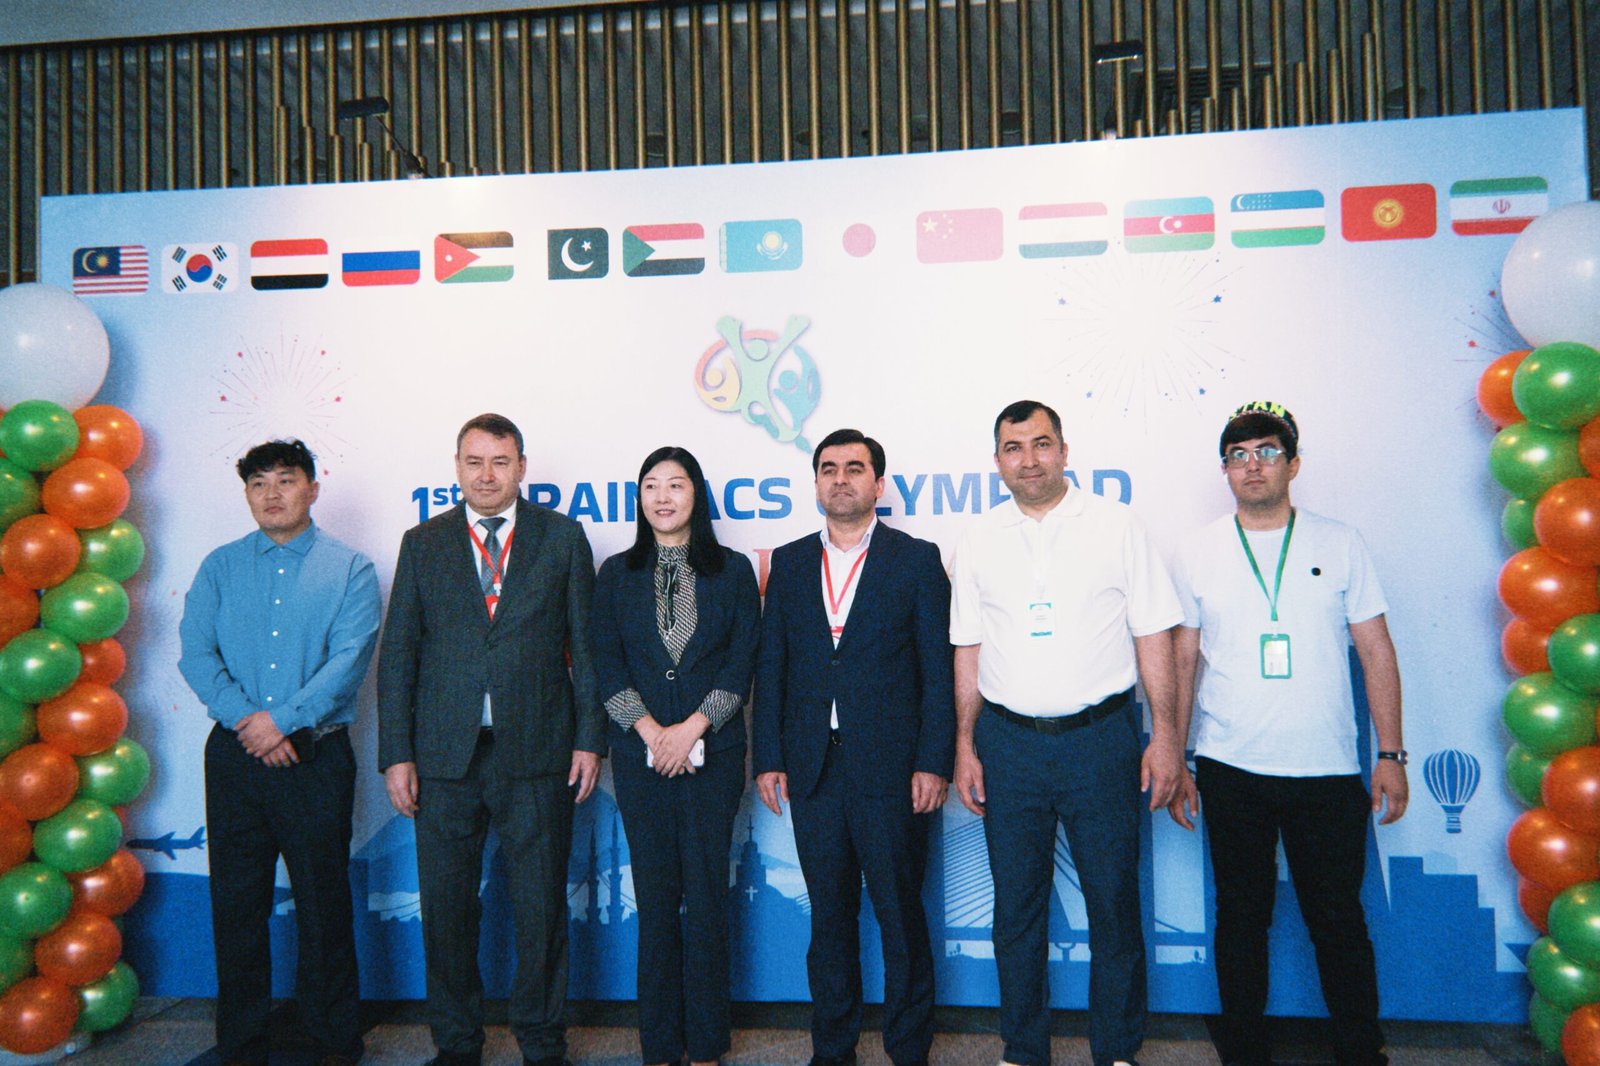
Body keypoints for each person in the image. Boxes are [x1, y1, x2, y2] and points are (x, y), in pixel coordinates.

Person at [1166, 401, 1407, 1066]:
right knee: (1242, 919)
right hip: (1230, 764)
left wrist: (1391, 753)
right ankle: (1245, 1052)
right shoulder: (1196, 551)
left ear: (1293, 464)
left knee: (1338, 920)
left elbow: (1376, 651)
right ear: (1225, 469)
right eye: (1238, 456)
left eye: (1267, 452)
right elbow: (1183, 660)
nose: (1253, 466)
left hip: (1325, 768)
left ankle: (1361, 1051)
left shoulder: (1340, 542)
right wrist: (1178, 757)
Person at [950, 400, 1184, 1066]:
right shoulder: (979, 538)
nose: (1029, 459)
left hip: (1101, 740)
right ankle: (1023, 1049)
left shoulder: (1116, 525)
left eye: (1041, 443)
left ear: (1064, 449)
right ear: (997, 461)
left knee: (1113, 904)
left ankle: (1117, 1050)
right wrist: (965, 743)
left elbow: (1154, 635)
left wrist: (1165, 736)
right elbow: (967, 647)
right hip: (1009, 745)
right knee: (1016, 911)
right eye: (1014, 448)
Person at [376, 413, 605, 1066]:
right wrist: (397, 754)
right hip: (444, 757)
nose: (486, 475)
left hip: (539, 751)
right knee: (447, 910)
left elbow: (588, 650)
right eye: (473, 462)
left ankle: (542, 1041)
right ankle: (456, 1042)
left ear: (521, 467)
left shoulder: (562, 538)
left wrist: (590, 740)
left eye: (499, 462)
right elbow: (399, 656)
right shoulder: (422, 543)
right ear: (456, 467)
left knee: (541, 909)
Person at [754, 428, 954, 1066]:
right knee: (830, 918)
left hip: (893, 771)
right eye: (829, 468)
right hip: (814, 768)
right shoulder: (789, 562)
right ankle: (832, 1049)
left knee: (900, 917)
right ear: (816, 482)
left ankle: (908, 1048)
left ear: (879, 483)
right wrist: (769, 757)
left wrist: (934, 762)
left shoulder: (916, 559)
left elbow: (937, 672)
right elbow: (773, 666)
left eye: (854, 468)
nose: (840, 479)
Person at [178, 438, 380, 1066]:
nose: (272, 494)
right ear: (246, 494)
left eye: (286, 480)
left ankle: (333, 1039)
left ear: (313, 488)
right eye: (258, 483)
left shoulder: (351, 569)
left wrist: (283, 723)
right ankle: (241, 1041)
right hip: (234, 757)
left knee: (323, 902)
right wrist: (251, 723)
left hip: (314, 758)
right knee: (236, 903)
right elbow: (195, 654)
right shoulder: (219, 566)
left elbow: (348, 662)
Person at [593, 446, 760, 1066]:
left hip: (714, 756)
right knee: (656, 900)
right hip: (639, 760)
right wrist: (650, 732)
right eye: (651, 486)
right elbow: (606, 664)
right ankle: (660, 1045)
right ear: (639, 499)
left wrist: (690, 729)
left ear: (697, 495)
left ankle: (708, 1043)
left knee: (707, 897)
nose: (663, 497)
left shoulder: (733, 570)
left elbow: (742, 660)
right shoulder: (616, 573)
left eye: (676, 485)